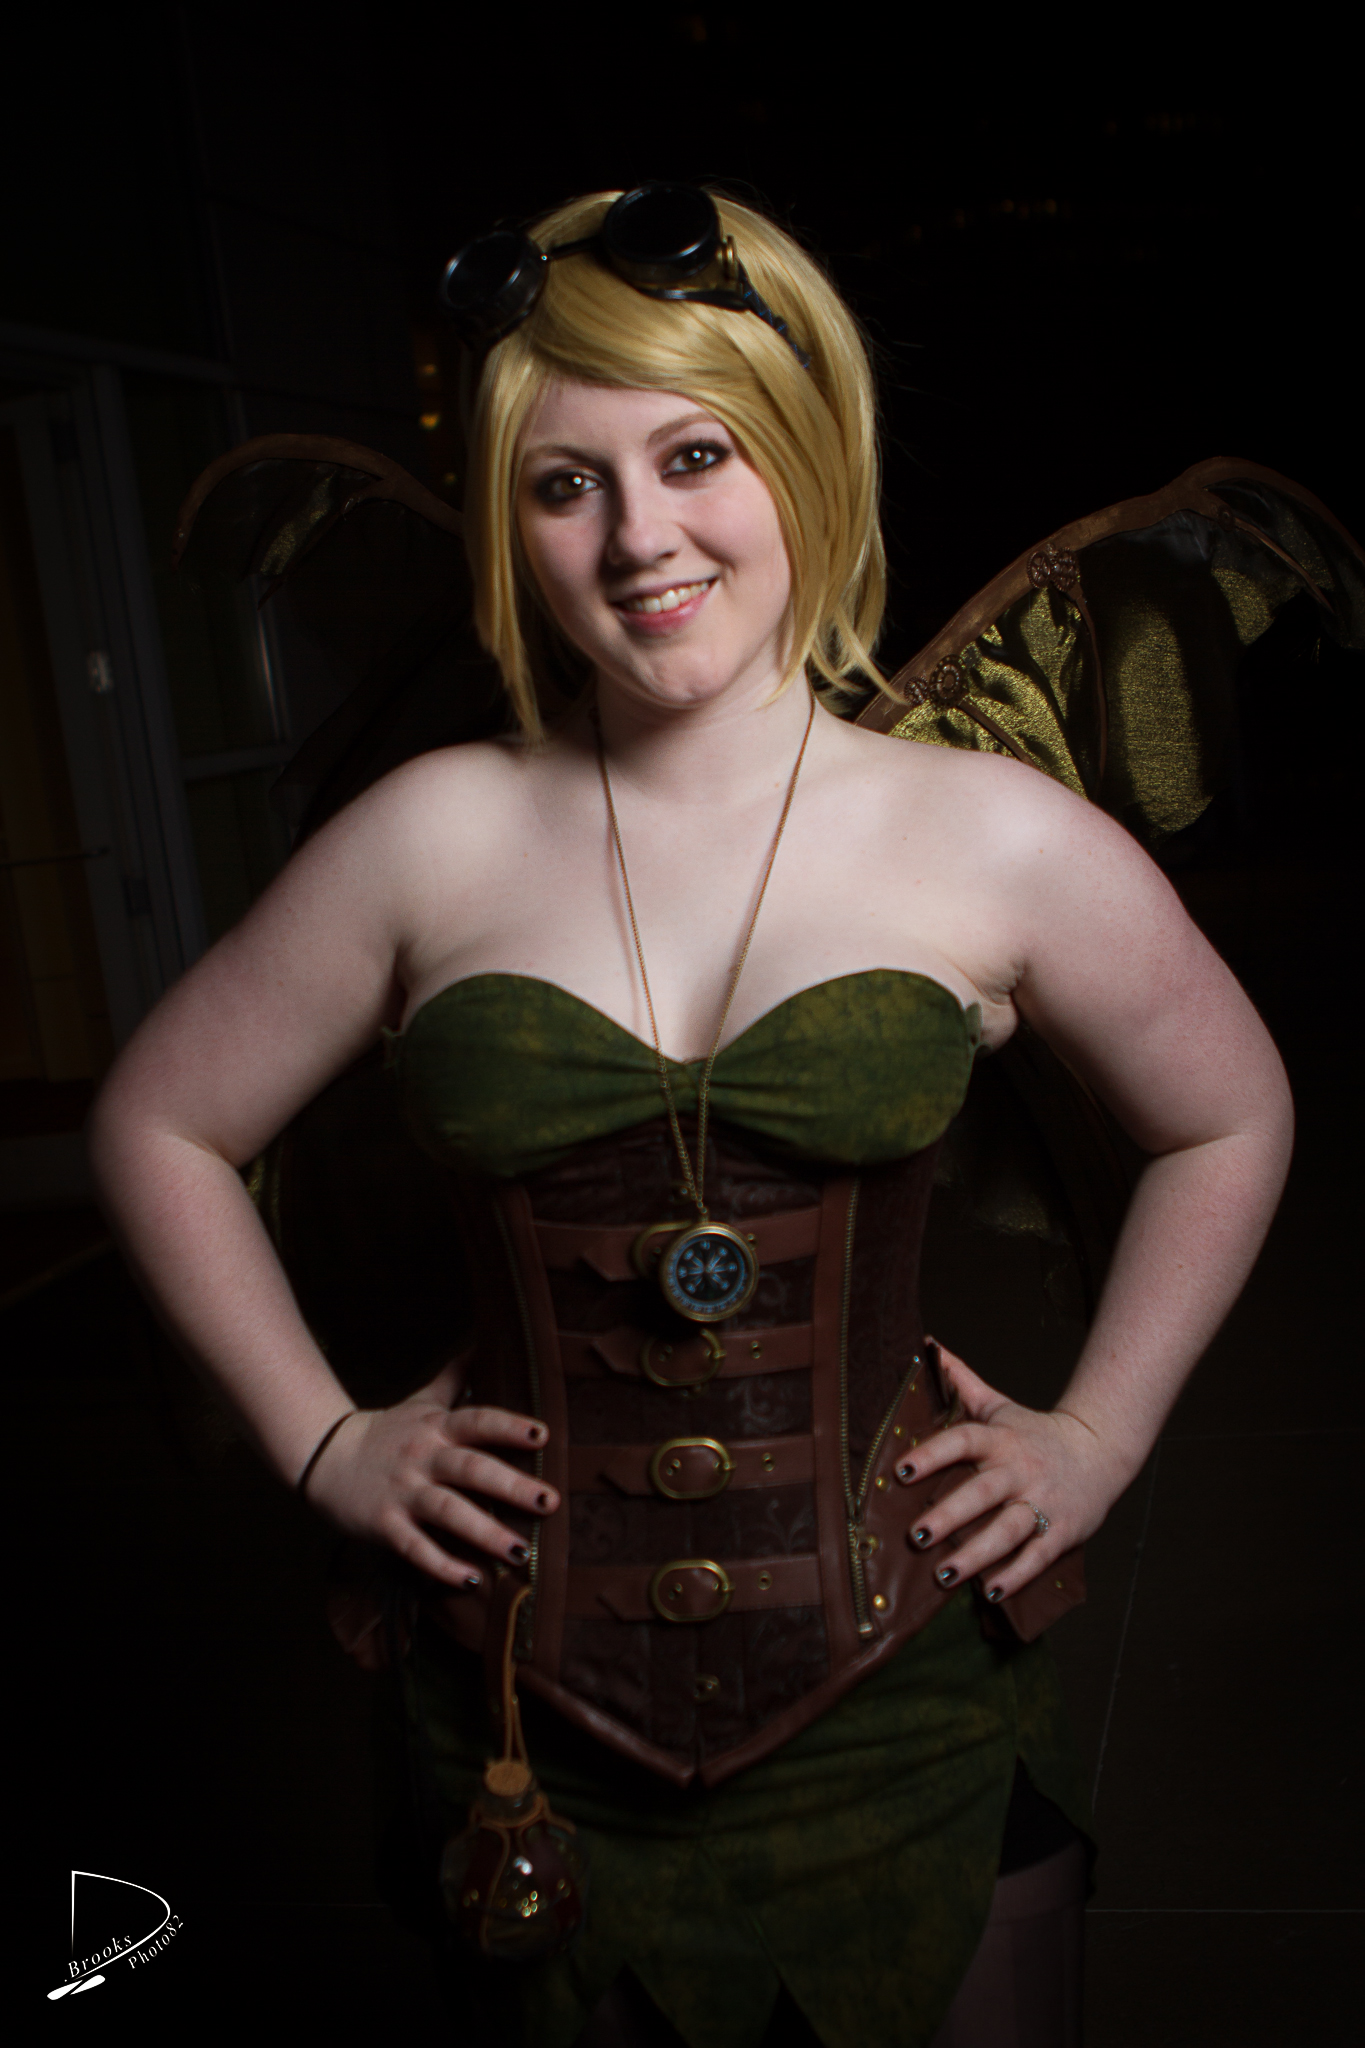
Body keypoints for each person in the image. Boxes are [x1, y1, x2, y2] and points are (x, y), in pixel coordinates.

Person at [89, 186, 1293, 2047]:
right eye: (565, 484)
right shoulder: (426, 837)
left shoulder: (996, 837)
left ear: (803, 457)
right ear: (512, 524)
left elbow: (1225, 1117)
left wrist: (1098, 1436)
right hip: (524, 1708)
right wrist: (324, 1441)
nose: (638, 535)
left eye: (694, 455)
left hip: (904, 1686)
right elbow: (160, 1122)